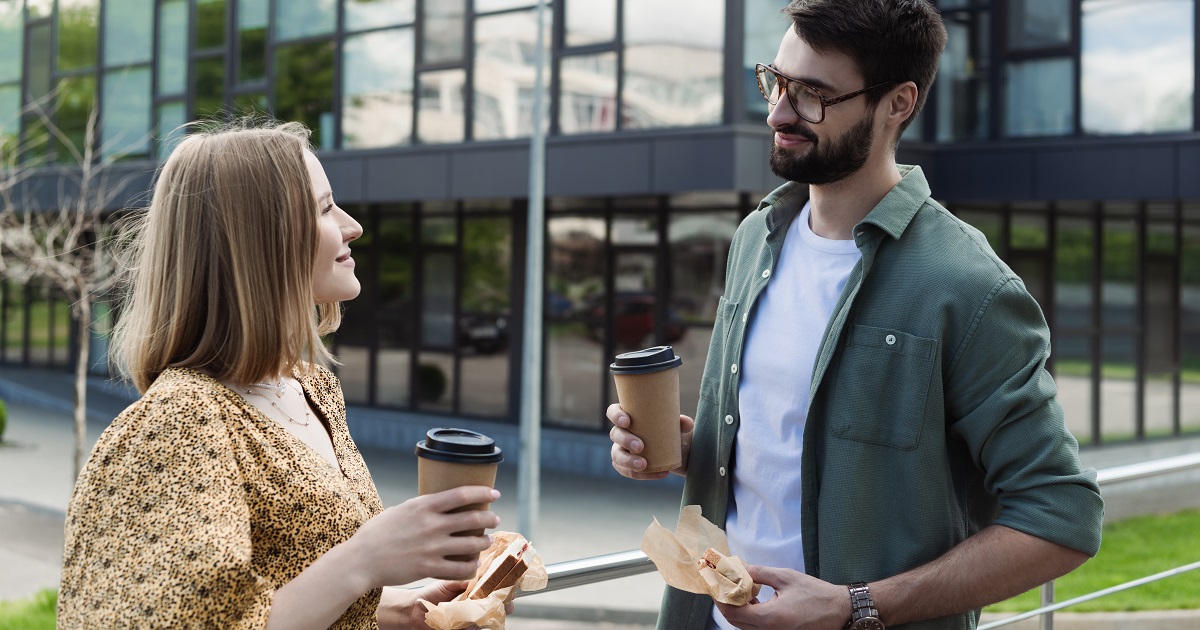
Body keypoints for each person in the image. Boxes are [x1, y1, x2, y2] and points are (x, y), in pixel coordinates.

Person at [608, 2, 1104, 629]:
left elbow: (1062, 516)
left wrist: (855, 607)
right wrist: (691, 449)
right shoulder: (755, 239)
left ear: (897, 103)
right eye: (777, 81)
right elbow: (791, 444)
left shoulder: (969, 285)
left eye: (813, 95)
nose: (778, 112)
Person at [58, 122, 503, 629]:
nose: (353, 226)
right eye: (324, 208)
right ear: (259, 242)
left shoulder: (312, 388)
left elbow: (269, 587)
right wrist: (365, 558)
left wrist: (395, 608)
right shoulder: (177, 423)